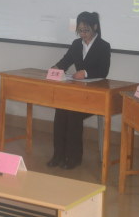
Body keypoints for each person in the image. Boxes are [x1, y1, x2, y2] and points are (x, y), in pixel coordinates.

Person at [47, 11, 110, 170]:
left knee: (73, 113)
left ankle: (74, 157)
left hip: (93, 96)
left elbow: (103, 71)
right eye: (80, 30)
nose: (83, 34)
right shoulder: (76, 44)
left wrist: (86, 73)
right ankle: (58, 155)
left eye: (86, 30)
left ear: (95, 27)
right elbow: (65, 62)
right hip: (77, 94)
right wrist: (56, 68)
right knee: (61, 109)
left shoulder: (103, 46)